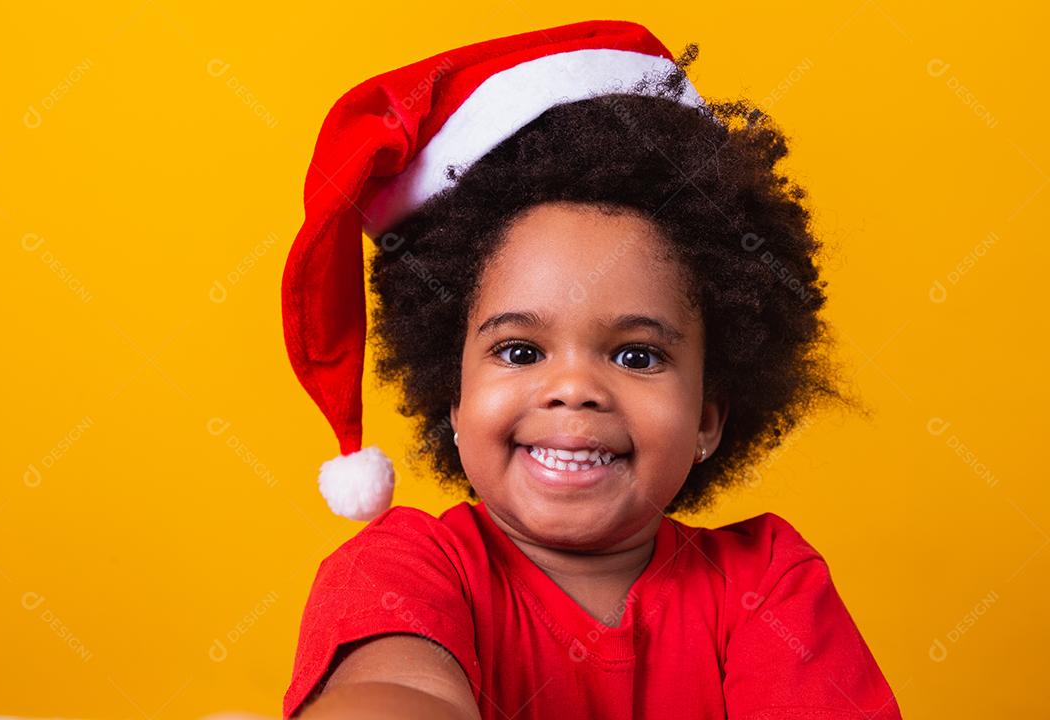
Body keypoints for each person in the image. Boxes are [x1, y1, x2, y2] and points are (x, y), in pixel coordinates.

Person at [279, 19, 902, 720]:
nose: (574, 389)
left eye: (637, 355)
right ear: (452, 399)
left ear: (706, 417)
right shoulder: (407, 566)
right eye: (520, 351)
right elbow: (399, 694)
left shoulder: (767, 583)